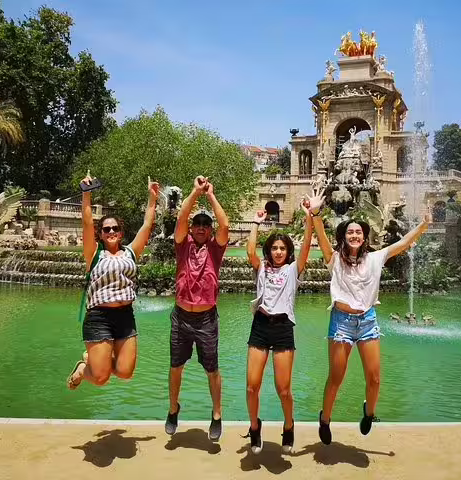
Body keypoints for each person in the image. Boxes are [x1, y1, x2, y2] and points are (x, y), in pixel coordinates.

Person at [306, 191, 431, 445]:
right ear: (344, 237)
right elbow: (320, 236)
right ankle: (325, 419)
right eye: (350, 232)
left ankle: (369, 413)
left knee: (374, 378)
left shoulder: (376, 258)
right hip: (341, 321)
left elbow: (403, 244)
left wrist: (423, 225)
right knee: (336, 377)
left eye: (358, 232)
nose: (354, 235)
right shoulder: (334, 260)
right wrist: (317, 213)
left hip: (367, 321)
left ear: (364, 237)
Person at [66, 175, 159, 389]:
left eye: (114, 228)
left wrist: (152, 198)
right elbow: (87, 222)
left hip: (125, 316)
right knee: (101, 378)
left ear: (121, 232)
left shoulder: (131, 252)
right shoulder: (94, 253)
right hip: (99, 318)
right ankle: (83, 369)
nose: (111, 232)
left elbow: (147, 224)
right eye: (106, 229)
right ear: (100, 234)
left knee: (125, 373)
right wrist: (86, 194)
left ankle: (96, 362)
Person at [243, 202, 314, 454]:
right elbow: (250, 251)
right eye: (274, 248)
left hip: (283, 327)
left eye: (283, 248)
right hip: (261, 325)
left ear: (288, 251)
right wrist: (255, 223)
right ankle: (254, 427)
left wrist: (310, 217)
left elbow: (306, 246)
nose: (278, 251)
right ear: (269, 250)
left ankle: (289, 425)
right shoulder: (261, 267)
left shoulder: (294, 269)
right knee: (252, 386)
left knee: (283, 389)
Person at [165, 175, 229, 441]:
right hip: (181, 317)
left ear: (210, 229)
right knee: (176, 366)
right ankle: (172, 409)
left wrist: (211, 195)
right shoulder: (183, 245)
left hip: (206, 319)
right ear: (192, 228)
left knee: (211, 369)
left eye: (206, 224)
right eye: (197, 224)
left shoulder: (216, 249)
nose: (201, 227)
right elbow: (180, 220)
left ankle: (216, 414)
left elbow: (225, 224)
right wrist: (194, 192)